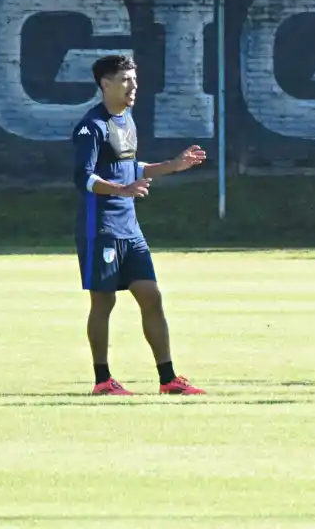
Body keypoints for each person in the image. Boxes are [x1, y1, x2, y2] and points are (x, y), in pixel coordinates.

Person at [72, 54, 207, 396]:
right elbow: (83, 177)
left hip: (130, 229)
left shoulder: (127, 120)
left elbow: (132, 167)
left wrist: (173, 166)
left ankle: (168, 379)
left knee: (152, 296)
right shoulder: (91, 126)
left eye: (134, 79)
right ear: (105, 84)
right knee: (103, 304)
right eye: (124, 80)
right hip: (100, 228)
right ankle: (103, 380)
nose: (133, 86)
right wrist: (122, 190)